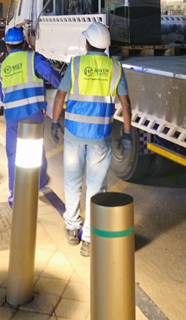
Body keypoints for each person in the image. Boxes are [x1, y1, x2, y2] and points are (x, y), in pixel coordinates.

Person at [51, 21, 133, 257]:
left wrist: (55, 121)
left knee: (72, 182)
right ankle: (89, 240)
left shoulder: (76, 64)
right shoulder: (115, 68)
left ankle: (71, 228)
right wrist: (127, 134)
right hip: (101, 136)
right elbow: (125, 104)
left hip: (74, 134)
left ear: (87, 43)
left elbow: (60, 96)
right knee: (97, 188)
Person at [0, 26, 61, 207]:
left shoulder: (2, 67)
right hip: (33, 113)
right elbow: (50, 74)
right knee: (36, 148)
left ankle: (15, 195)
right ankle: (39, 181)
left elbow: (2, 95)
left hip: (12, 117)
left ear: (7, 46)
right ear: (24, 43)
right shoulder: (33, 58)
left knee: (14, 154)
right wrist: (63, 89)